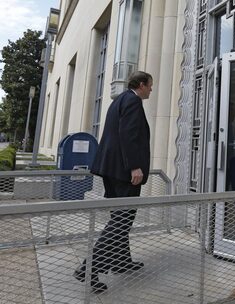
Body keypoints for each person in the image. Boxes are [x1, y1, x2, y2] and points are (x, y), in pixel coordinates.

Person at [73, 71, 153, 293]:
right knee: (122, 220)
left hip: (112, 169)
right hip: (124, 171)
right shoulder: (133, 101)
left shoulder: (120, 100)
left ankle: (120, 262)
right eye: (150, 86)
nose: (151, 90)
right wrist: (135, 166)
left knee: (121, 217)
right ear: (141, 84)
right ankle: (88, 269)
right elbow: (128, 135)